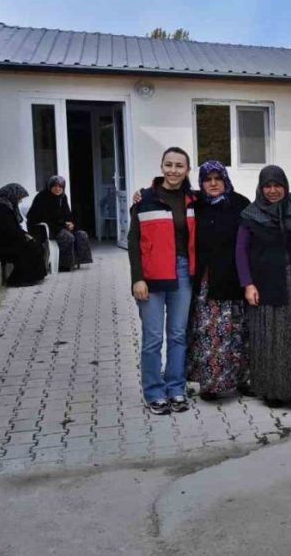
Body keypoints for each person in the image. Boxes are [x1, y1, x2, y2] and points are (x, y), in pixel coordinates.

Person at [128, 147, 197, 415]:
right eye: (169, 164)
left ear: (187, 170)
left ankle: (176, 388)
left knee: (178, 335)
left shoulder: (194, 200)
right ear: (161, 166)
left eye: (179, 166)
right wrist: (137, 279)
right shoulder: (145, 199)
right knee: (153, 338)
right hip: (152, 275)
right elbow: (133, 242)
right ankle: (154, 392)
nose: (173, 170)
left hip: (182, 273)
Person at [237, 165, 291, 406]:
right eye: (267, 186)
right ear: (260, 188)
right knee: (268, 337)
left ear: (285, 186)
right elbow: (241, 251)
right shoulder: (251, 214)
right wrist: (248, 284)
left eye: (277, 185)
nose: (272, 191)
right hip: (265, 283)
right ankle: (272, 391)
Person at [186, 161, 251, 401]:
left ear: (225, 179)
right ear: (201, 183)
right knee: (209, 335)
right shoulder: (195, 205)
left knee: (236, 334)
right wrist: (140, 196)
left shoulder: (240, 204)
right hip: (207, 282)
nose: (213, 183)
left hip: (233, 280)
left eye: (218, 178)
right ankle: (210, 385)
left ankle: (242, 380)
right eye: (207, 179)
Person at [0, 183, 48, 286]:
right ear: (12, 195)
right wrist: (24, 238)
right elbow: (7, 231)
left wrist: (25, 236)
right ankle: (18, 280)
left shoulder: (4, 206)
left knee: (33, 244)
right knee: (28, 247)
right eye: (19, 198)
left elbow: (12, 229)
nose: (20, 201)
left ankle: (34, 277)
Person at [26, 176, 93, 271]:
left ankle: (76, 261)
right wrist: (63, 224)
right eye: (55, 186)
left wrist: (70, 223)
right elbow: (43, 217)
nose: (58, 189)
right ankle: (63, 265)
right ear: (50, 186)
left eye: (60, 186)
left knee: (82, 235)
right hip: (45, 228)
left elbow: (68, 214)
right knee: (67, 237)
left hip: (60, 226)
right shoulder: (42, 197)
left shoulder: (63, 197)